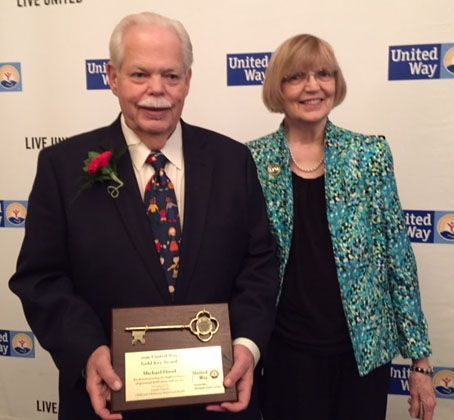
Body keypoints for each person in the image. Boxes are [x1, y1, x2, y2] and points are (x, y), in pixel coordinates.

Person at [9, 12, 279, 420]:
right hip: (108, 402)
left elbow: (260, 265)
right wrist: (87, 352)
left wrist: (247, 344)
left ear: (188, 80)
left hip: (215, 401)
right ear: (112, 77)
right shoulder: (61, 167)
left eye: (171, 76)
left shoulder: (233, 161)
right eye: (140, 74)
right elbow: (41, 279)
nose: (158, 90)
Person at [247, 34, 436, 420]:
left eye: (323, 74)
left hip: (362, 356)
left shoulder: (369, 155)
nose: (313, 86)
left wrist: (420, 361)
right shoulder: (249, 160)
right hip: (285, 353)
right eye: (297, 76)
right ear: (278, 88)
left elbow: (398, 257)